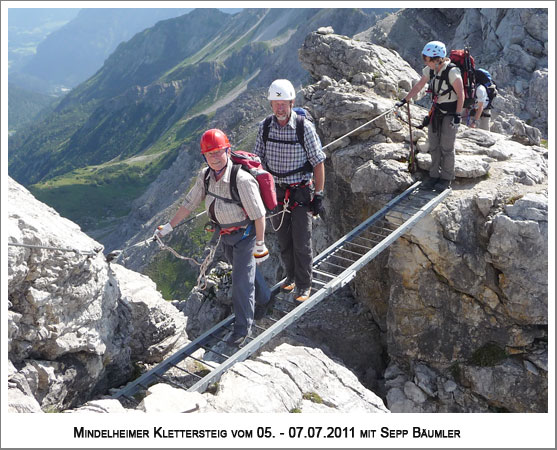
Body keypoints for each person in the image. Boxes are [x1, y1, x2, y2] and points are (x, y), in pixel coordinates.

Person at [156, 129, 271, 347]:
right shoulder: (206, 176)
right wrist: (169, 226)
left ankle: (242, 329)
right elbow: (190, 203)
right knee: (245, 273)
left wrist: (260, 244)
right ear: (204, 157)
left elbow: (259, 215)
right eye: (210, 154)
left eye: (219, 152)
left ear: (227, 150)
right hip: (225, 236)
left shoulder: (243, 180)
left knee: (240, 283)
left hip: (245, 236)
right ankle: (264, 298)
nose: (215, 158)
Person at [253, 79, 326, 302]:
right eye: (276, 103)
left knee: (302, 240)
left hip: (300, 192)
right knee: (284, 240)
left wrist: (319, 195)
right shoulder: (265, 127)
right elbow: (257, 162)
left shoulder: (304, 127)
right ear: (271, 105)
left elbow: (318, 162)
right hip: (275, 193)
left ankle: (304, 285)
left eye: (283, 103)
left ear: (292, 102)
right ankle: (291, 277)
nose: (280, 108)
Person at [396, 41, 464, 190]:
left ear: (438, 58)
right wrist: (405, 99)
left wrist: (458, 116)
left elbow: (461, 94)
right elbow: (419, 85)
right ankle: (434, 176)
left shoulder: (452, 72)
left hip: (450, 113)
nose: (426, 62)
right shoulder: (431, 70)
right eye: (425, 59)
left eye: (428, 59)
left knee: (446, 147)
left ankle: (446, 178)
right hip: (436, 111)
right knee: (434, 145)